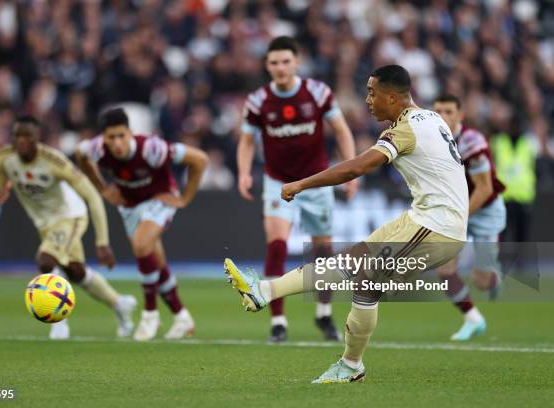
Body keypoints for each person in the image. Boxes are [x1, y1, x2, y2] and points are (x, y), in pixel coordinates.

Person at [224, 65, 468, 383]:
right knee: (356, 269)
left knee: (362, 274)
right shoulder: (431, 118)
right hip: (423, 217)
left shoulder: (406, 129)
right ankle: (268, 294)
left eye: (372, 92)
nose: (367, 100)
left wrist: (301, 184)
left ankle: (348, 362)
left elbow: (356, 168)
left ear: (392, 97)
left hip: (437, 226)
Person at [237, 36, 358, 342]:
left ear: (296, 62)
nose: (280, 67)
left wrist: (352, 171)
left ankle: (324, 315)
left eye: (285, 61)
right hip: (278, 182)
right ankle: (278, 322)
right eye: (274, 62)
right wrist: (243, 172)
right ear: (267, 65)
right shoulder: (258, 101)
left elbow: (341, 130)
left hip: (316, 181)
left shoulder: (317, 93)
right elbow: (247, 140)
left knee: (323, 252)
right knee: (276, 246)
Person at [0, 115, 136, 340]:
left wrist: (102, 242)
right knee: (76, 271)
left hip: (70, 216)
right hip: (43, 223)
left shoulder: (54, 161)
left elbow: (92, 196)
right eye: (17, 135)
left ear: (38, 138)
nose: (22, 141)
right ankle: (119, 304)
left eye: (27, 136)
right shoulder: (4, 158)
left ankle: (58, 322)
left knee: (46, 260)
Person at [76, 108, 208, 341]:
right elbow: (80, 155)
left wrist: (185, 198)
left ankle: (150, 314)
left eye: (121, 136)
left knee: (140, 245)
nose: (116, 143)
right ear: (104, 138)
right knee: (153, 259)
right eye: (111, 137)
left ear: (131, 133)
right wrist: (103, 188)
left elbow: (199, 159)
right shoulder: (96, 148)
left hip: (160, 199)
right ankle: (182, 316)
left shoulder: (152, 149)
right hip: (130, 205)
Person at [433, 94, 506, 341]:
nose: (443, 116)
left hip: (484, 211)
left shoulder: (471, 141)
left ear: (460, 115)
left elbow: (484, 189)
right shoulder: (432, 141)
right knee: (444, 270)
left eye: (449, 111)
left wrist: (458, 216)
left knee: (482, 280)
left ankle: (494, 278)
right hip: (456, 211)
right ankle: (473, 319)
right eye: (438, 111)